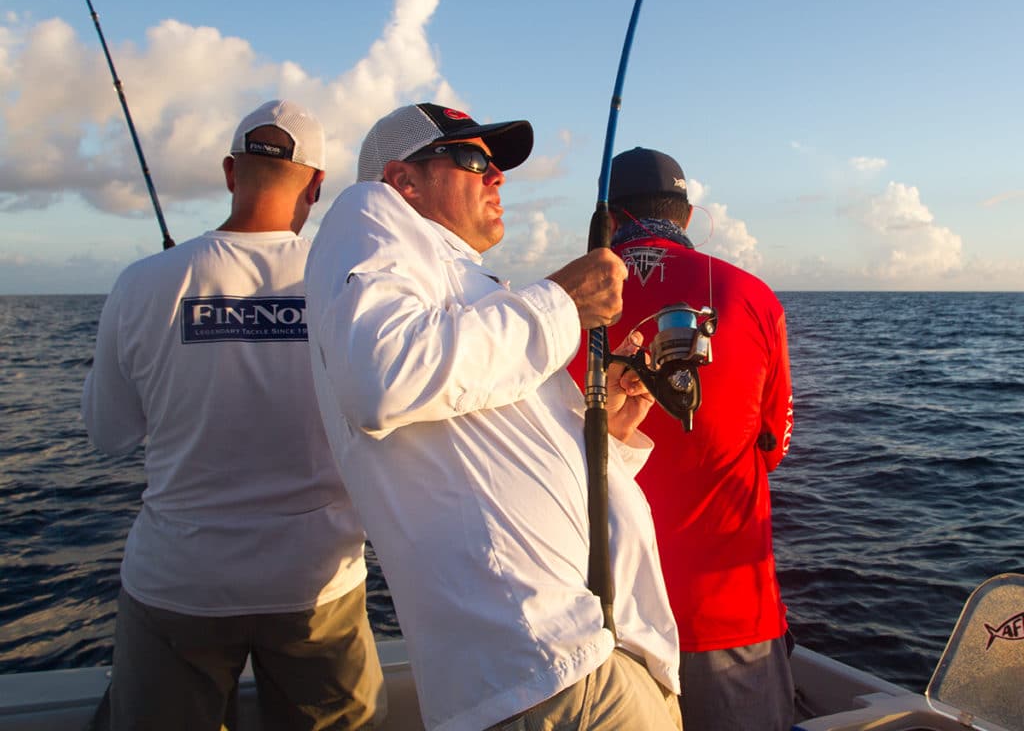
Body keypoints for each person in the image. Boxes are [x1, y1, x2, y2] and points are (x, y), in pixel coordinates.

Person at [304, 102, 682, 731]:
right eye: (474, 159)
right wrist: (561, 301)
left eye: (497, 164)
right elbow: (382, 377)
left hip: (579, 663)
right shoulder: (366, 212)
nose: (497, 176)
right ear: (404, 181)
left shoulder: (457, 289)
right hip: (550, 674)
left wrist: (609, 433)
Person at [81, 99, 384, 730]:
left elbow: (108, 434)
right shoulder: (353, 285)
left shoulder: (141, 283)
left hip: (179, 584)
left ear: (228, 173)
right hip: (317, 586)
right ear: (319, 185)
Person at [572, 146, 795, 730]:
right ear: (688, 216)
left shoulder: (554, 307)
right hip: (726, 616)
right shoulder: (752, 297)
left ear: (607, 220)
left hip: (600, 620)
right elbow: (773, 448)